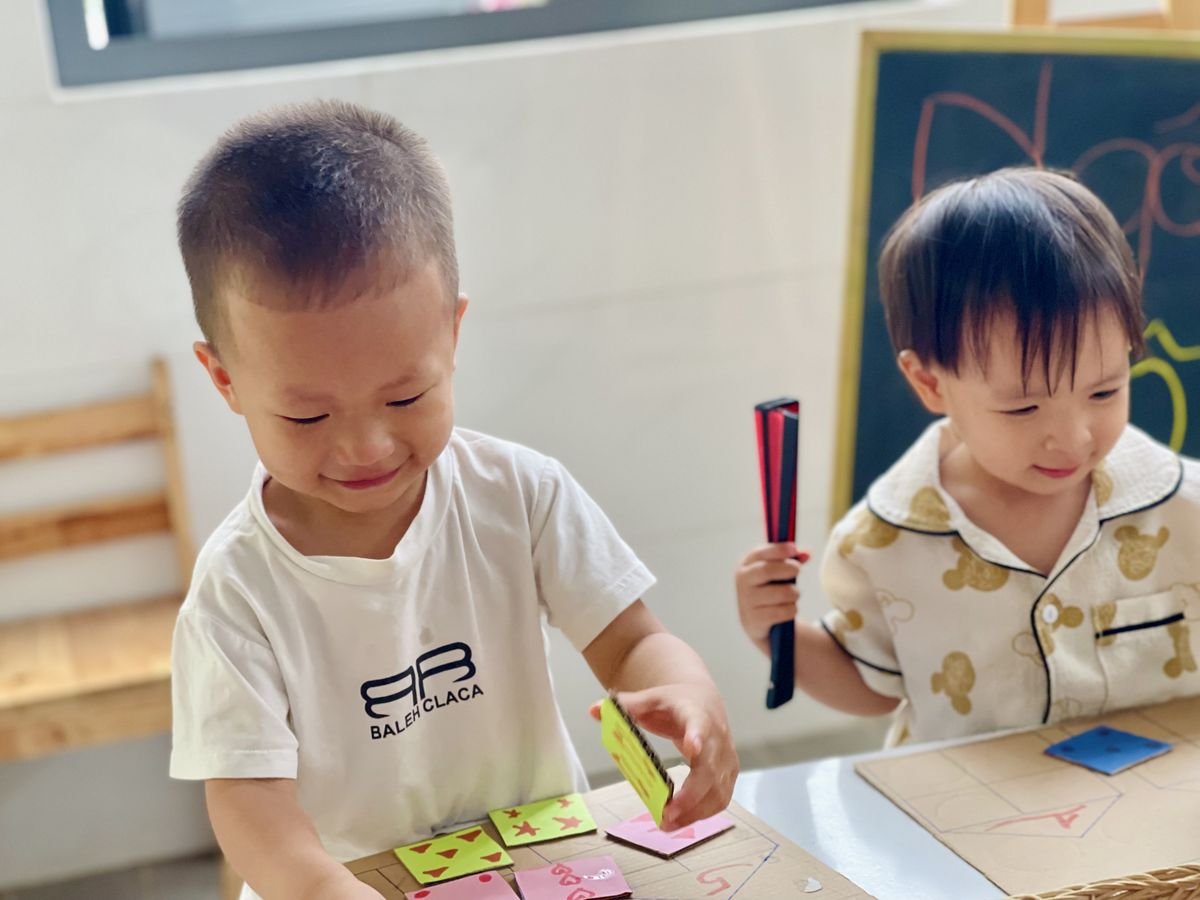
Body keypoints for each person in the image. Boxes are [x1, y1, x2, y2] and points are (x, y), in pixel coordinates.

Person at [169, 99, 737, 900]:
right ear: (225, 379)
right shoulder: (236, 590)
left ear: (452, 335)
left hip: (540, 865)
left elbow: (632, 641)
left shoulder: (521, 493)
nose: (365, 447)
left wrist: (689, 693)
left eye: (405, 397)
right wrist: (325, 890)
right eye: (307, 416)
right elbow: (247, 800)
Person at [736, 167, 1200, 746]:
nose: (1073, 437)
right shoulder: (884, 542)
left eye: (1104, 392)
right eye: (1023, 408)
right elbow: (872, 686)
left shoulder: (1186, 507)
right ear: (930, 383)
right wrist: (774, 631)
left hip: (1151, 796)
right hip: (967, 800)